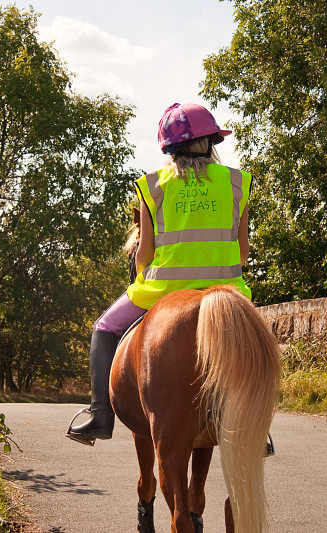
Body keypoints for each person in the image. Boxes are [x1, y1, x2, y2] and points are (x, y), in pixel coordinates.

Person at [67, 102, 252, 445]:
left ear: (169, 148)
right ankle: (258, 426)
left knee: (104, 328)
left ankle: (100, 415)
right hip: (227, 292)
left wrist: (142, 278)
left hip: (163, 289)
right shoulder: (237, 182)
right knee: (254, 346)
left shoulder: (152, 186)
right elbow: (242, 251)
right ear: (212, 142)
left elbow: (145, 254)